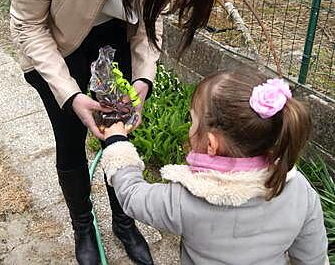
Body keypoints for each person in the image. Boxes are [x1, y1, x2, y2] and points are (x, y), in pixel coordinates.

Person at [9, 0, 220, 264]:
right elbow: (28, 23)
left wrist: (144, 76)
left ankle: (124, 222)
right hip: (52, 44)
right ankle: (83, 227)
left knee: (117, 134)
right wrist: (70, 95)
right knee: (69, 138)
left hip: (112, 35)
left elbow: (150, 16)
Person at [101, 69, 329, 264]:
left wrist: (116, 142)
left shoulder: (185, 199)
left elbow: (131, 195)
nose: (190, 128)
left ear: (211, 144)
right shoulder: (299, 191)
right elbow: (312, 259)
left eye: (193, 121)